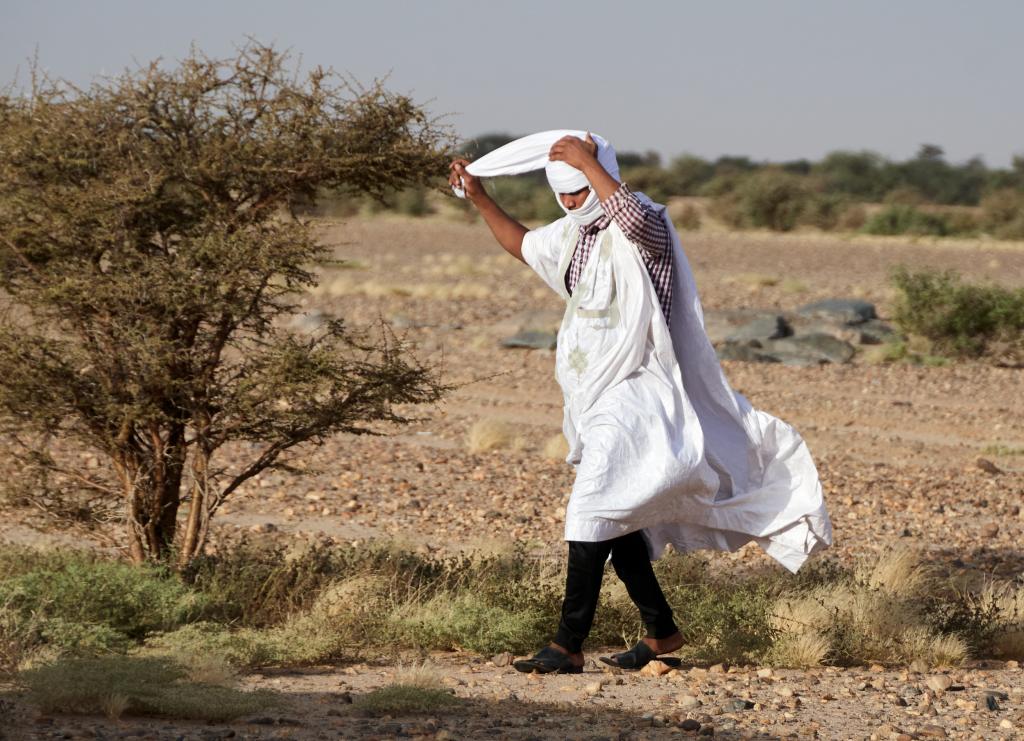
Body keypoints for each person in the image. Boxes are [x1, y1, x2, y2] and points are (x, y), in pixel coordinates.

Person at [449, 130, 832, 674]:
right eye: (565, 194)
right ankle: (661, 631)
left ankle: (566, 645)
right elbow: (525, 245)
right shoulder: (573, 235)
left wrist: (589, 163)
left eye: (581, 190)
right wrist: (482, 198)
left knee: (591, 508)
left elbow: (630, 218)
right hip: (594, 392)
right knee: (619, 512)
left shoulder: (646, 222)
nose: (573, 202)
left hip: (643, 389)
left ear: (599, 173)